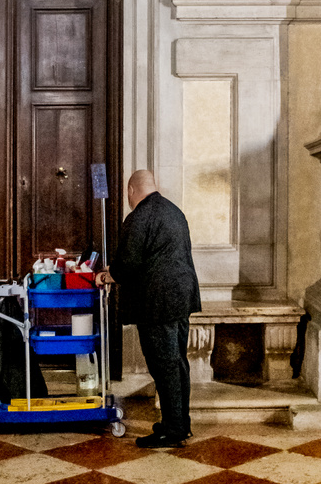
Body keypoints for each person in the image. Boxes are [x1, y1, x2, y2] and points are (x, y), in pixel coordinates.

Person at [96, 170, 201, 448]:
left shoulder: (138, 217)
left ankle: (173, 430)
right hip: (180, 298)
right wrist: (117, 270)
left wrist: (109, 275)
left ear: (131, 190)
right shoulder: (174, 212)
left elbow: (128, 264)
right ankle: (179, 424)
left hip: (157, 303)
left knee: (164, 366)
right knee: (177, 363)